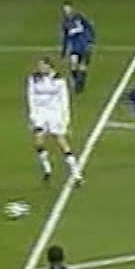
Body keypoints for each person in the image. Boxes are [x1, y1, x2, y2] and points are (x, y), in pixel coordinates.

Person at [25, 57, 81, 185]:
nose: (40, 68)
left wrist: (66, 119)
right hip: (40, 114)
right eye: (39, 66)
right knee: (38, 142)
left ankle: (76, 173)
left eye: (42, 65)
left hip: (55, 114)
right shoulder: (34, 79)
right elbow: (30, 97)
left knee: (61, 141)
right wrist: (32, 116)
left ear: (49, 66)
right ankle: (47, 169)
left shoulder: (59, 80)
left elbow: (64, 100)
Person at [57, 2, 94, 94]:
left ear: (72, 9)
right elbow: (65, 37)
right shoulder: (65, 22)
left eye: (68, 9)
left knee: (82, 66)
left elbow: (89, 27)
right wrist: (64, 51)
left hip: (84, 45)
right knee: (73, 65)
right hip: (74, 47)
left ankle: (80, 83)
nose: (66, 11)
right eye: (65, 10)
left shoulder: (79, 17)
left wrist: (91, 41)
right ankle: (77, 82)